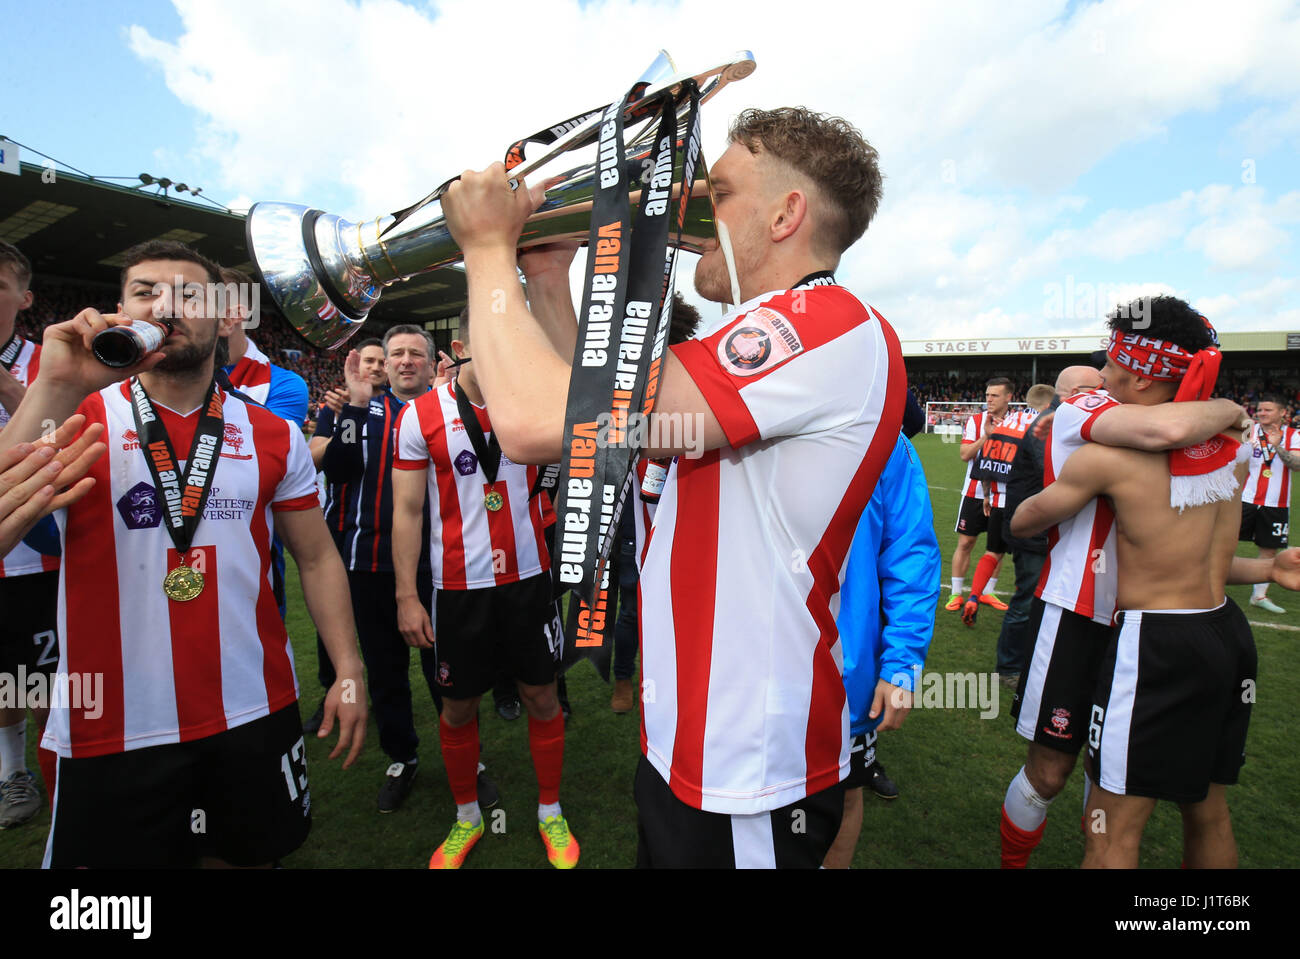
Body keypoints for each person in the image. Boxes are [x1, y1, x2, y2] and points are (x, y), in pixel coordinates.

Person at [440, 106, 905, 867]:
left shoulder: (823, 321)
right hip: (697, 743)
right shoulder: (772, 330)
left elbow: (530, 422)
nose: (692, 211)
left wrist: (488, 249)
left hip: (745, 765)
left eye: (717, 193)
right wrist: (546, 272)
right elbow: (590, 407)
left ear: (788, 214)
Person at [0, 240, 366, 866]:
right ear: (120, 309)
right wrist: (55, 385)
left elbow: (317, 558)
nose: (165, 305)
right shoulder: (75, 416)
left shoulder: (273, 433)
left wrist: (349, 667)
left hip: (253, 703)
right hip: (110, 720)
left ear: (226, 316)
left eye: (188, 293)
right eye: (145, 291)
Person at [1011, 297, 1300, 868]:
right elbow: (1170, 428)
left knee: (1112, 830)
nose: (1102, 373)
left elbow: (1021, 519)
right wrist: (1229, 409)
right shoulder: (1230, 455)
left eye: (1113, 362)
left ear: (1140, 373)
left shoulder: (1108, 459)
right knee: (1204, 807)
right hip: (1218, 631)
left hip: (1147, 641)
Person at [392, 306, 574, 869]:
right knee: (457, 706)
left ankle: (550, 811)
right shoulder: (420, 415)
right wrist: (406, 594)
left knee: (543, 697)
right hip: (459, 587)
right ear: (465, 342)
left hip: (527, 581)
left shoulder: (538, 403)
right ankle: (467, 817)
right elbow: (406, 508)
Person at [823, 432, 940, 868]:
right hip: (742, 666)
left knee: (845, 793)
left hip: (845, 672)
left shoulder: (886, 442)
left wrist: (903, 665)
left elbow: (911, 556)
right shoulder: (736, 419)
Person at [0, 240, 62, 828]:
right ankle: (11, 773)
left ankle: (58, 774)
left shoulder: (49, 359)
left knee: (43, 681)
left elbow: (59, 434)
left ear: (24, 298)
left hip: (39, 554)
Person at [993, 373, 1098, 686]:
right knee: (1027, 599)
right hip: (1035, 532)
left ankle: (1037, 660)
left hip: (1048, 528)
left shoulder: (1061, 419)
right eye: (1099, 390)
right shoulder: (1048, 425)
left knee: (1046, 597)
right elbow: (1056, 473)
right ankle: (1009, 668)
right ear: (1079, 392)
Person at [961, 383, 1055, 626]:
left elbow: (985, 461)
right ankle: (1025, 610)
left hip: (998, 499)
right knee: (1029, 557)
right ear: (1048, 405)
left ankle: (973, 597)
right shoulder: (1045, 426)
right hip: (1029, 503)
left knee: (993, 552)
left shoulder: (1006, 423)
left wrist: (986, 496)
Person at [946, 378, 1015, 614]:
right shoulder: (976, 421)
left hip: (1002, 495)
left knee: (997, 547)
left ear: (1008, 397)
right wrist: (987, 437)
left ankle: (987, 592)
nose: (989, 399)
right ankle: (956, 593)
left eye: (995, 395)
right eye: (987, 395)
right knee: (966, 542)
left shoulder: (1016, 423)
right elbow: (965, 454)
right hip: (974, 493)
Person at [1239, 393, 1299, 613]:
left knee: (1268, 550)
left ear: (1283, 413)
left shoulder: (1294, 435)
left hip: (1276, 502)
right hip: (1244, 499)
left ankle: (1259, 596)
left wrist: (1278, 447)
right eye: (1260, 410)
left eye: (1268, 410)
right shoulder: (1249, 429)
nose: (1261, 413)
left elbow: (1297, 465)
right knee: (1222, 542)